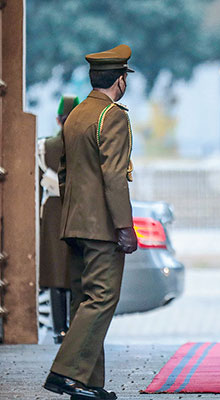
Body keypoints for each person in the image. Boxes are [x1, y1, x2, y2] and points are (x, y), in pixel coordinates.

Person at [43, 44, 138, 400]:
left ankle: (88, 381)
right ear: (121, 80)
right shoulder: (111, 116)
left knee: (86, 299)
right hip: (101, 227)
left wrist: (70, 218)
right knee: (102, 298)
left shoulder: (79, 113)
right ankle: (65, 373)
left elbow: (64, 173)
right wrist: (124, 226)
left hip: (75, 223)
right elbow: (114, 176)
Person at [38, 94, 80, 344]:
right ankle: (76, 327)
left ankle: (58, 329)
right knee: (76, 269)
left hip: (53, 210)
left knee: (55, 272)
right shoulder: (86, 146)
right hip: (78, 209)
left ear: (57, 119)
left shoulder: (44, 147)